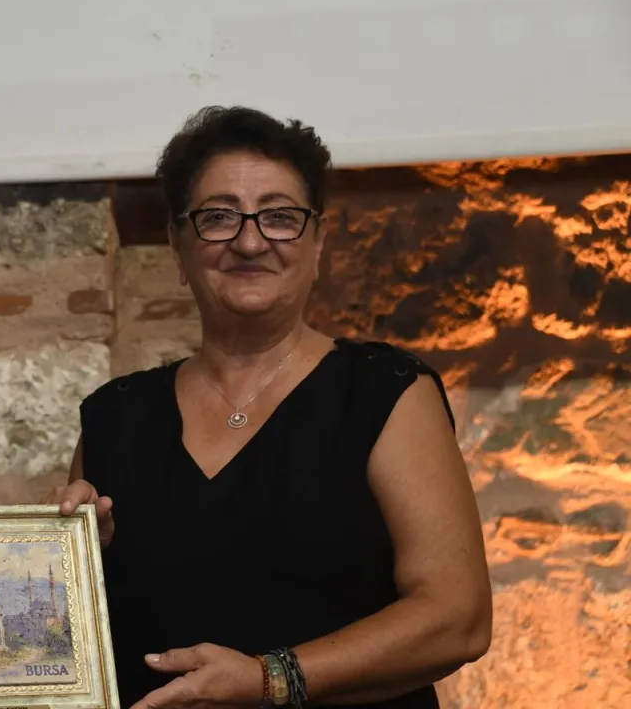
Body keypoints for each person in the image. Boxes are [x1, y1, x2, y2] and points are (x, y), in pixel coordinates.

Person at [54, 106, 492, 709]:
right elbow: (70, 645)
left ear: (318, 243)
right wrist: (73, 561)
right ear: (178, 246)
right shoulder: (113, 418)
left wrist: (270, 679)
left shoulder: (384, 393)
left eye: (280, 217)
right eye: (218, 217)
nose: (250, 240)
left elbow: (457, 618)